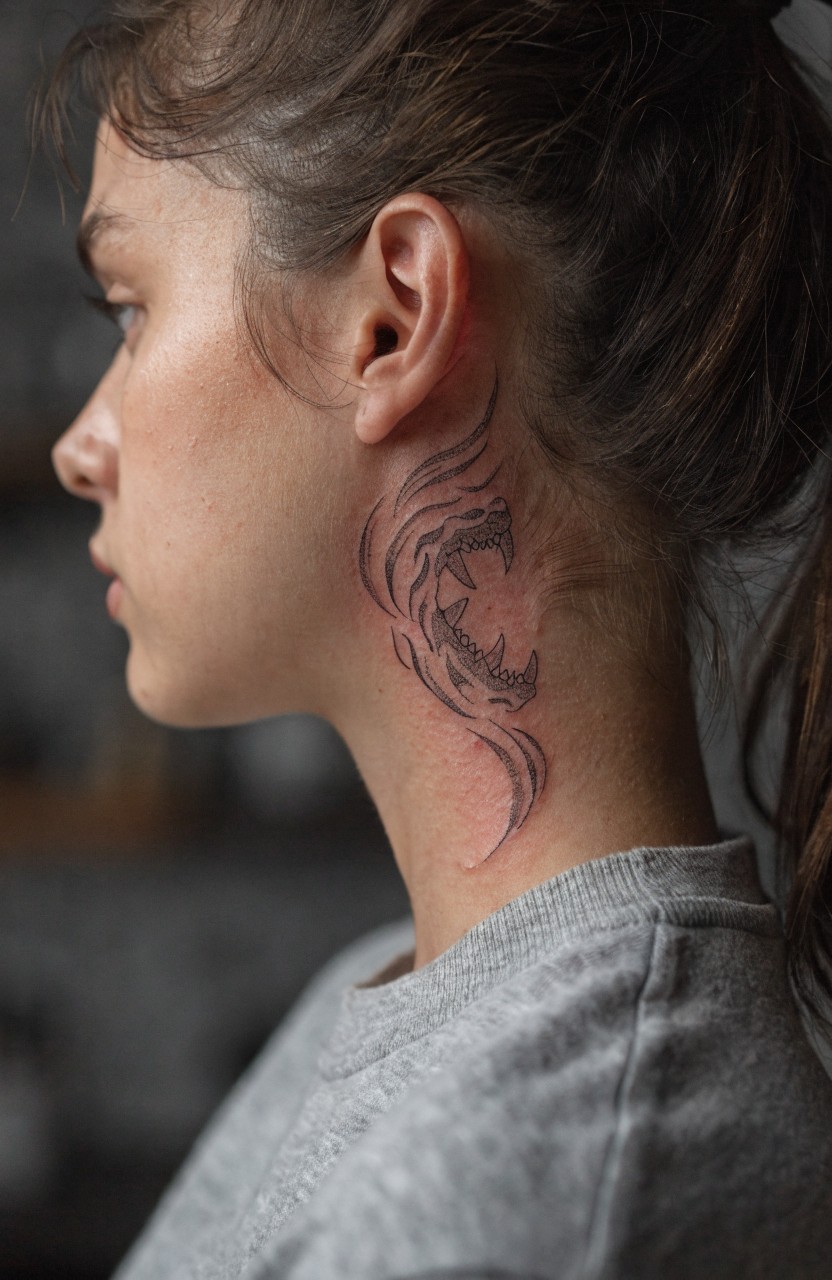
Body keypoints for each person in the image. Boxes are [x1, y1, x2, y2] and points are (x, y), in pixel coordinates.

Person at [40, 0, 832, 1275]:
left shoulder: (546, 1203)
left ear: (393, 321)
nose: (85, 443)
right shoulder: (387, 990)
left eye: (130, 311)